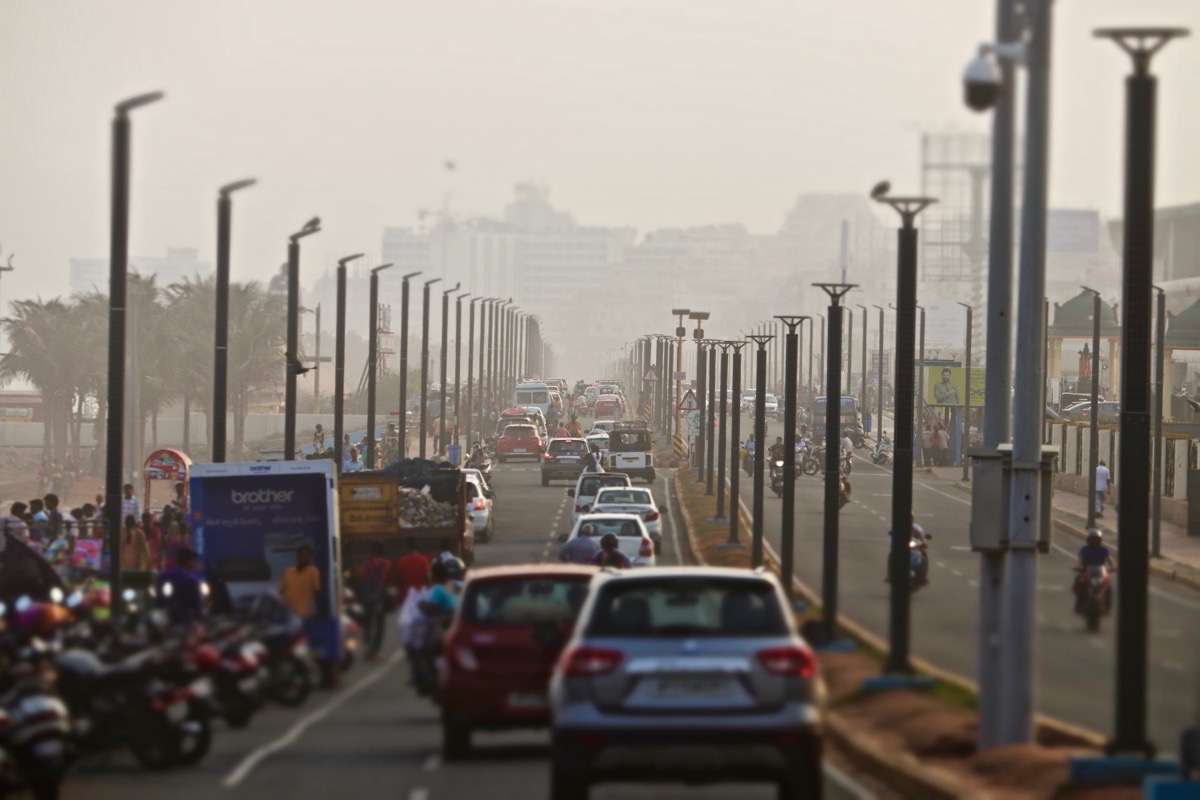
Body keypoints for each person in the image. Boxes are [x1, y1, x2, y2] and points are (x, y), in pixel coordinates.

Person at [357, 542, 393, 660]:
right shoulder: (386, 564)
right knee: (379, 624)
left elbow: (360, 577)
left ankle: (368, 648)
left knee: (368, 623)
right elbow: (388, 580)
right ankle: (375, 650)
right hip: (379, 598)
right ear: (382, 552)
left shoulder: (365, 565)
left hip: (367, 598)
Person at [156, 546, 204, 628]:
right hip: (184, 623)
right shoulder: (191, 580)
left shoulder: (162, 576)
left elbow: (157, 601)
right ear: (189, 561)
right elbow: (196, 608)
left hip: (163, 622)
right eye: (192, 561)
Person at [1074, 529, 1116, 611]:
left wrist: (1113, 567)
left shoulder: (1104, 549)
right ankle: (1079, 602)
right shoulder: (1084, 549)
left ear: (1100, 540)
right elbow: (1080, 559)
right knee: (1078, 581)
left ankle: (1107, 605)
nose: (1095, 541)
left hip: (1101, 572)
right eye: (1092, 539)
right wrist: (1077, 567)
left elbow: (1109, 559)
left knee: (1108, 586)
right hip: (1087, 571)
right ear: (1089, 540)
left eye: (1096, 539)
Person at [278, 545, 321, 619]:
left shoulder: (313, 571)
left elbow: (316, 592)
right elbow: (280, 591)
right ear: (298, 556)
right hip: (289, 613)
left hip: (305, 614)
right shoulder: (288, 571)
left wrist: (316, 613)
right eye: (303, 555)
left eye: (308, 556)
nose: (305, 558)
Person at [393, 536, 431, 601]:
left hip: (406, 596)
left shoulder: (402, 561)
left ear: (406, 546)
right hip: (421, 596)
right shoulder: (424, 560)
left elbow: (398, 581)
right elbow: (428, 579)